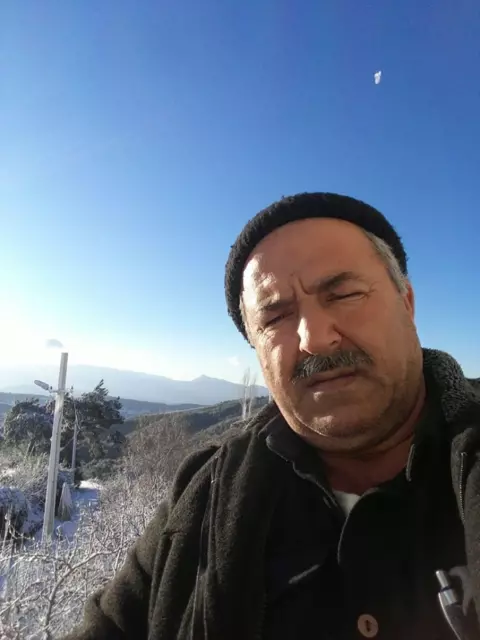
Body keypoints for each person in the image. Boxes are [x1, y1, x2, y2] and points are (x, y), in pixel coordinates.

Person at [65, 192, 480, 640]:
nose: (314, 338)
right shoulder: (201, 499)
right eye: (276, 317)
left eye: (344, 294)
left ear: (407, 303)